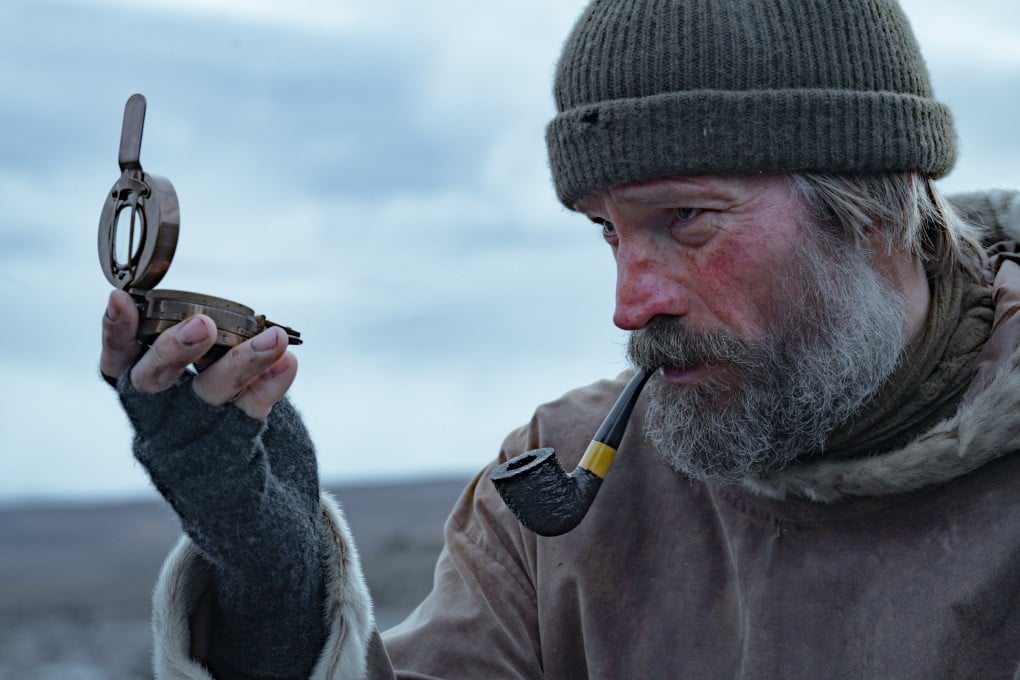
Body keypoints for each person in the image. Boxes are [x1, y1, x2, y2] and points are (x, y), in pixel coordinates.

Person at [100, 0, 1020, 678]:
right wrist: (265, 569)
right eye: (607, 231)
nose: (629, 306)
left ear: (882, 199)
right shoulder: (565, 493)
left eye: (686, 219)